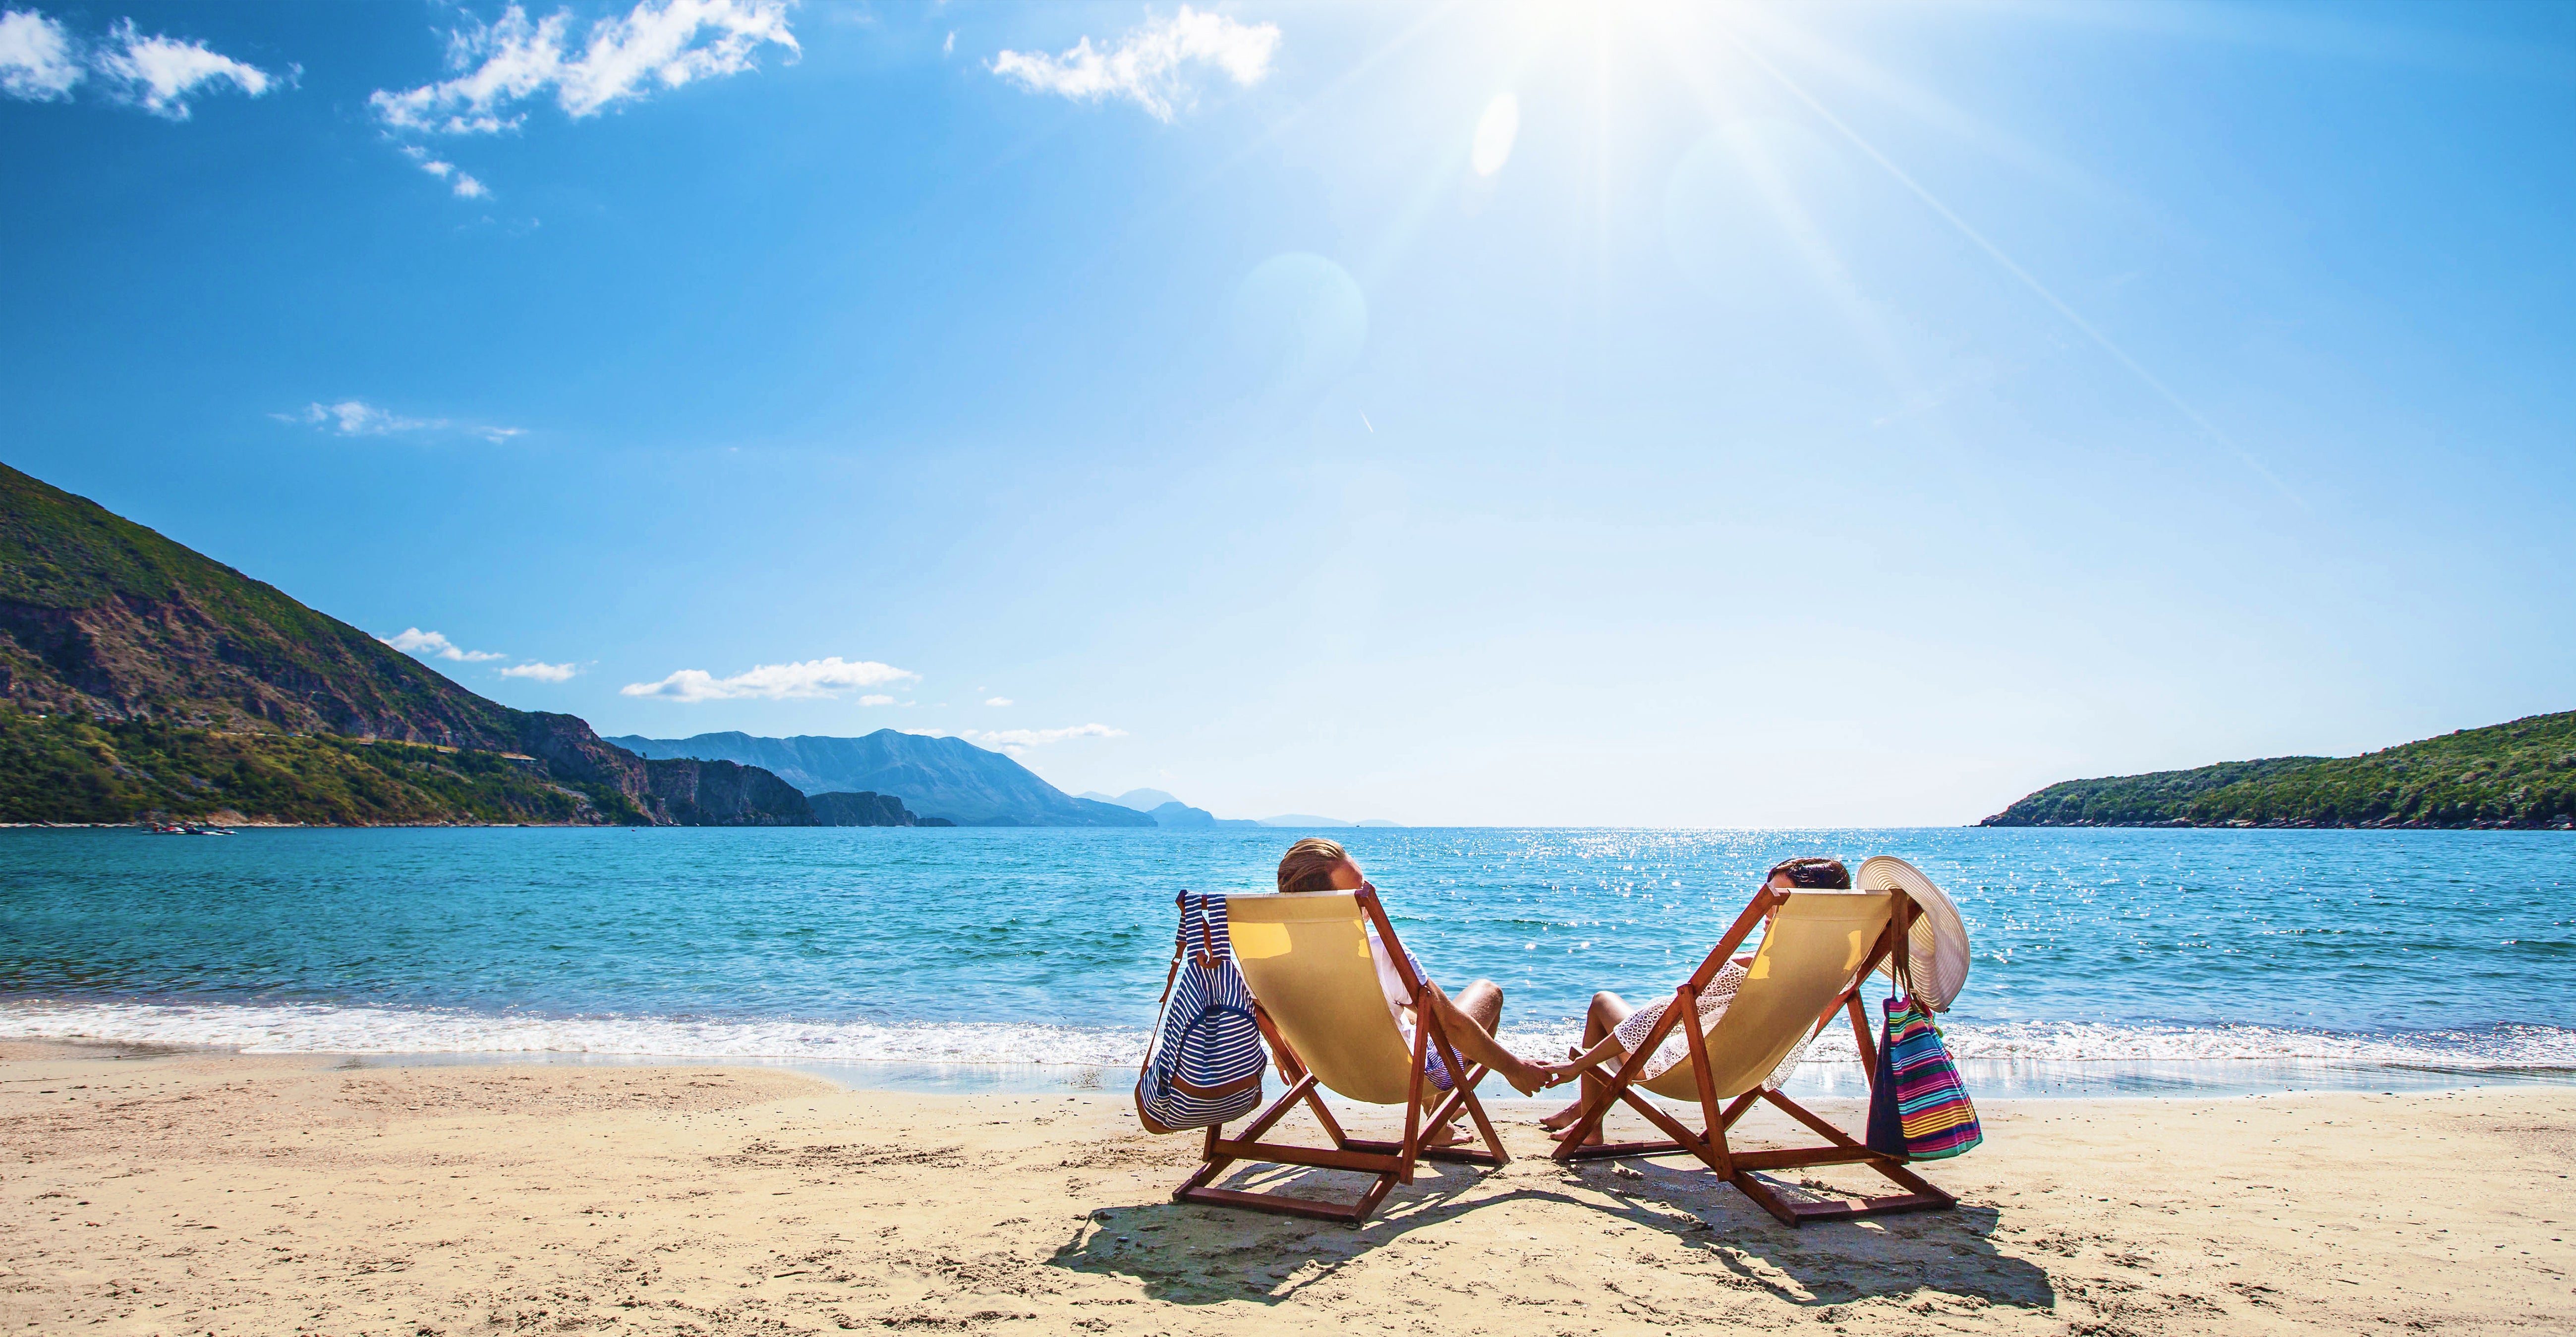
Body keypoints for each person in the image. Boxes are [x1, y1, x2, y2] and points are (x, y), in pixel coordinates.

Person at [1537, 856, 1851, 1139]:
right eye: (1767, 896)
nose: (1767, 909)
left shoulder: (1751, 969)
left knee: (1603, 1002)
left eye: (1779, 900)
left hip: (1698, 1077)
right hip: (1753, 1072)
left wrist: (1579, 1066)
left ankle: (1590, 1128)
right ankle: (1584, 1108)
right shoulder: (1840, 967)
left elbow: (1658, 1020)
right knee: (1647, 1032)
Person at [1272, 838, 1553, 1134]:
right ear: (1326, 906)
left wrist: (1282, 1048)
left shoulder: (1268, 959)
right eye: (1359, 892)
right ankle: (1438, 1121)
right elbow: (1453, 1028)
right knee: (1487, 992)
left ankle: (1438, 1117)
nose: (1371, 893)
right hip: (1404, 1080)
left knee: (1407, 1012)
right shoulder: (1381, 954)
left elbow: (1269, 1013)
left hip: (1334, 1077)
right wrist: (1515, 1069)